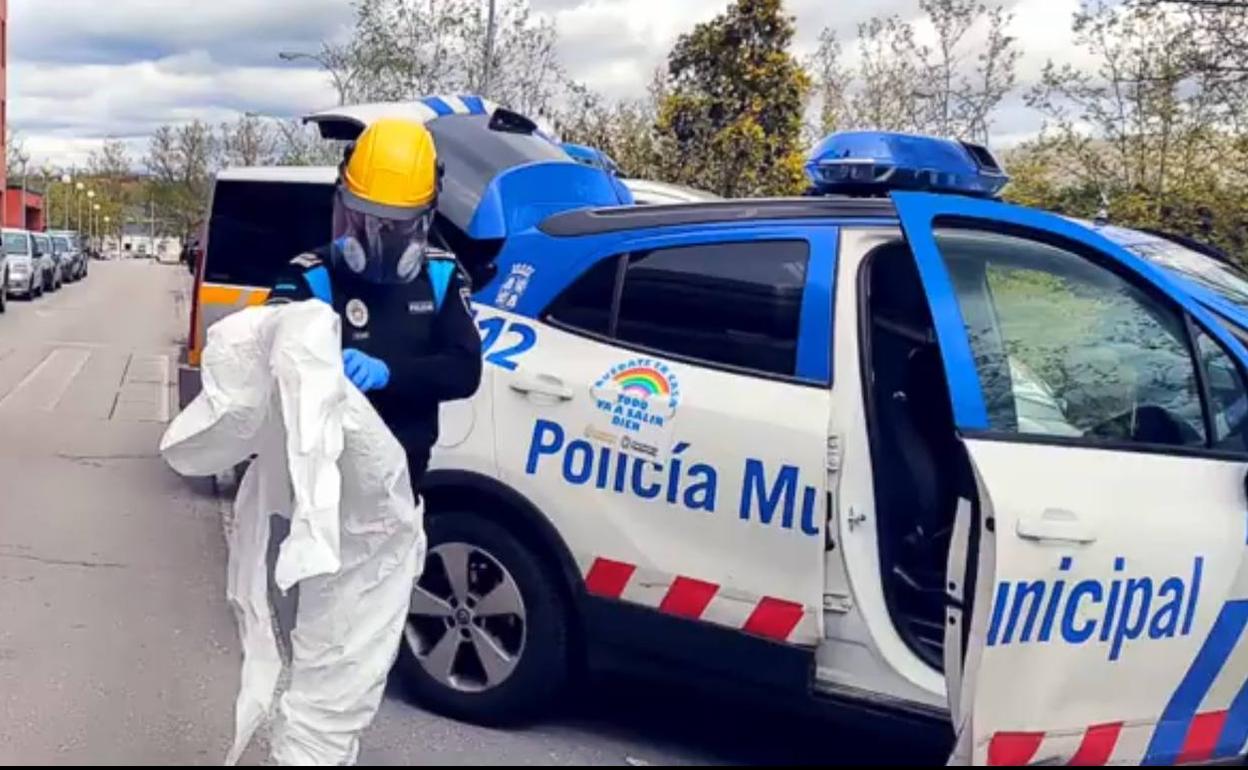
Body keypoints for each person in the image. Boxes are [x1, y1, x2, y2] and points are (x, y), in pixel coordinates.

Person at [267, 117, 483, 486]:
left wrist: (389, 373)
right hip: (324, 480)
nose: (375, 236)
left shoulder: (440, 277)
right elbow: (269, 361)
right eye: (362, 219)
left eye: (395, 225)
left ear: (425, 218)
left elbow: (464, 370)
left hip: (403, 475)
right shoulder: (310, 277)